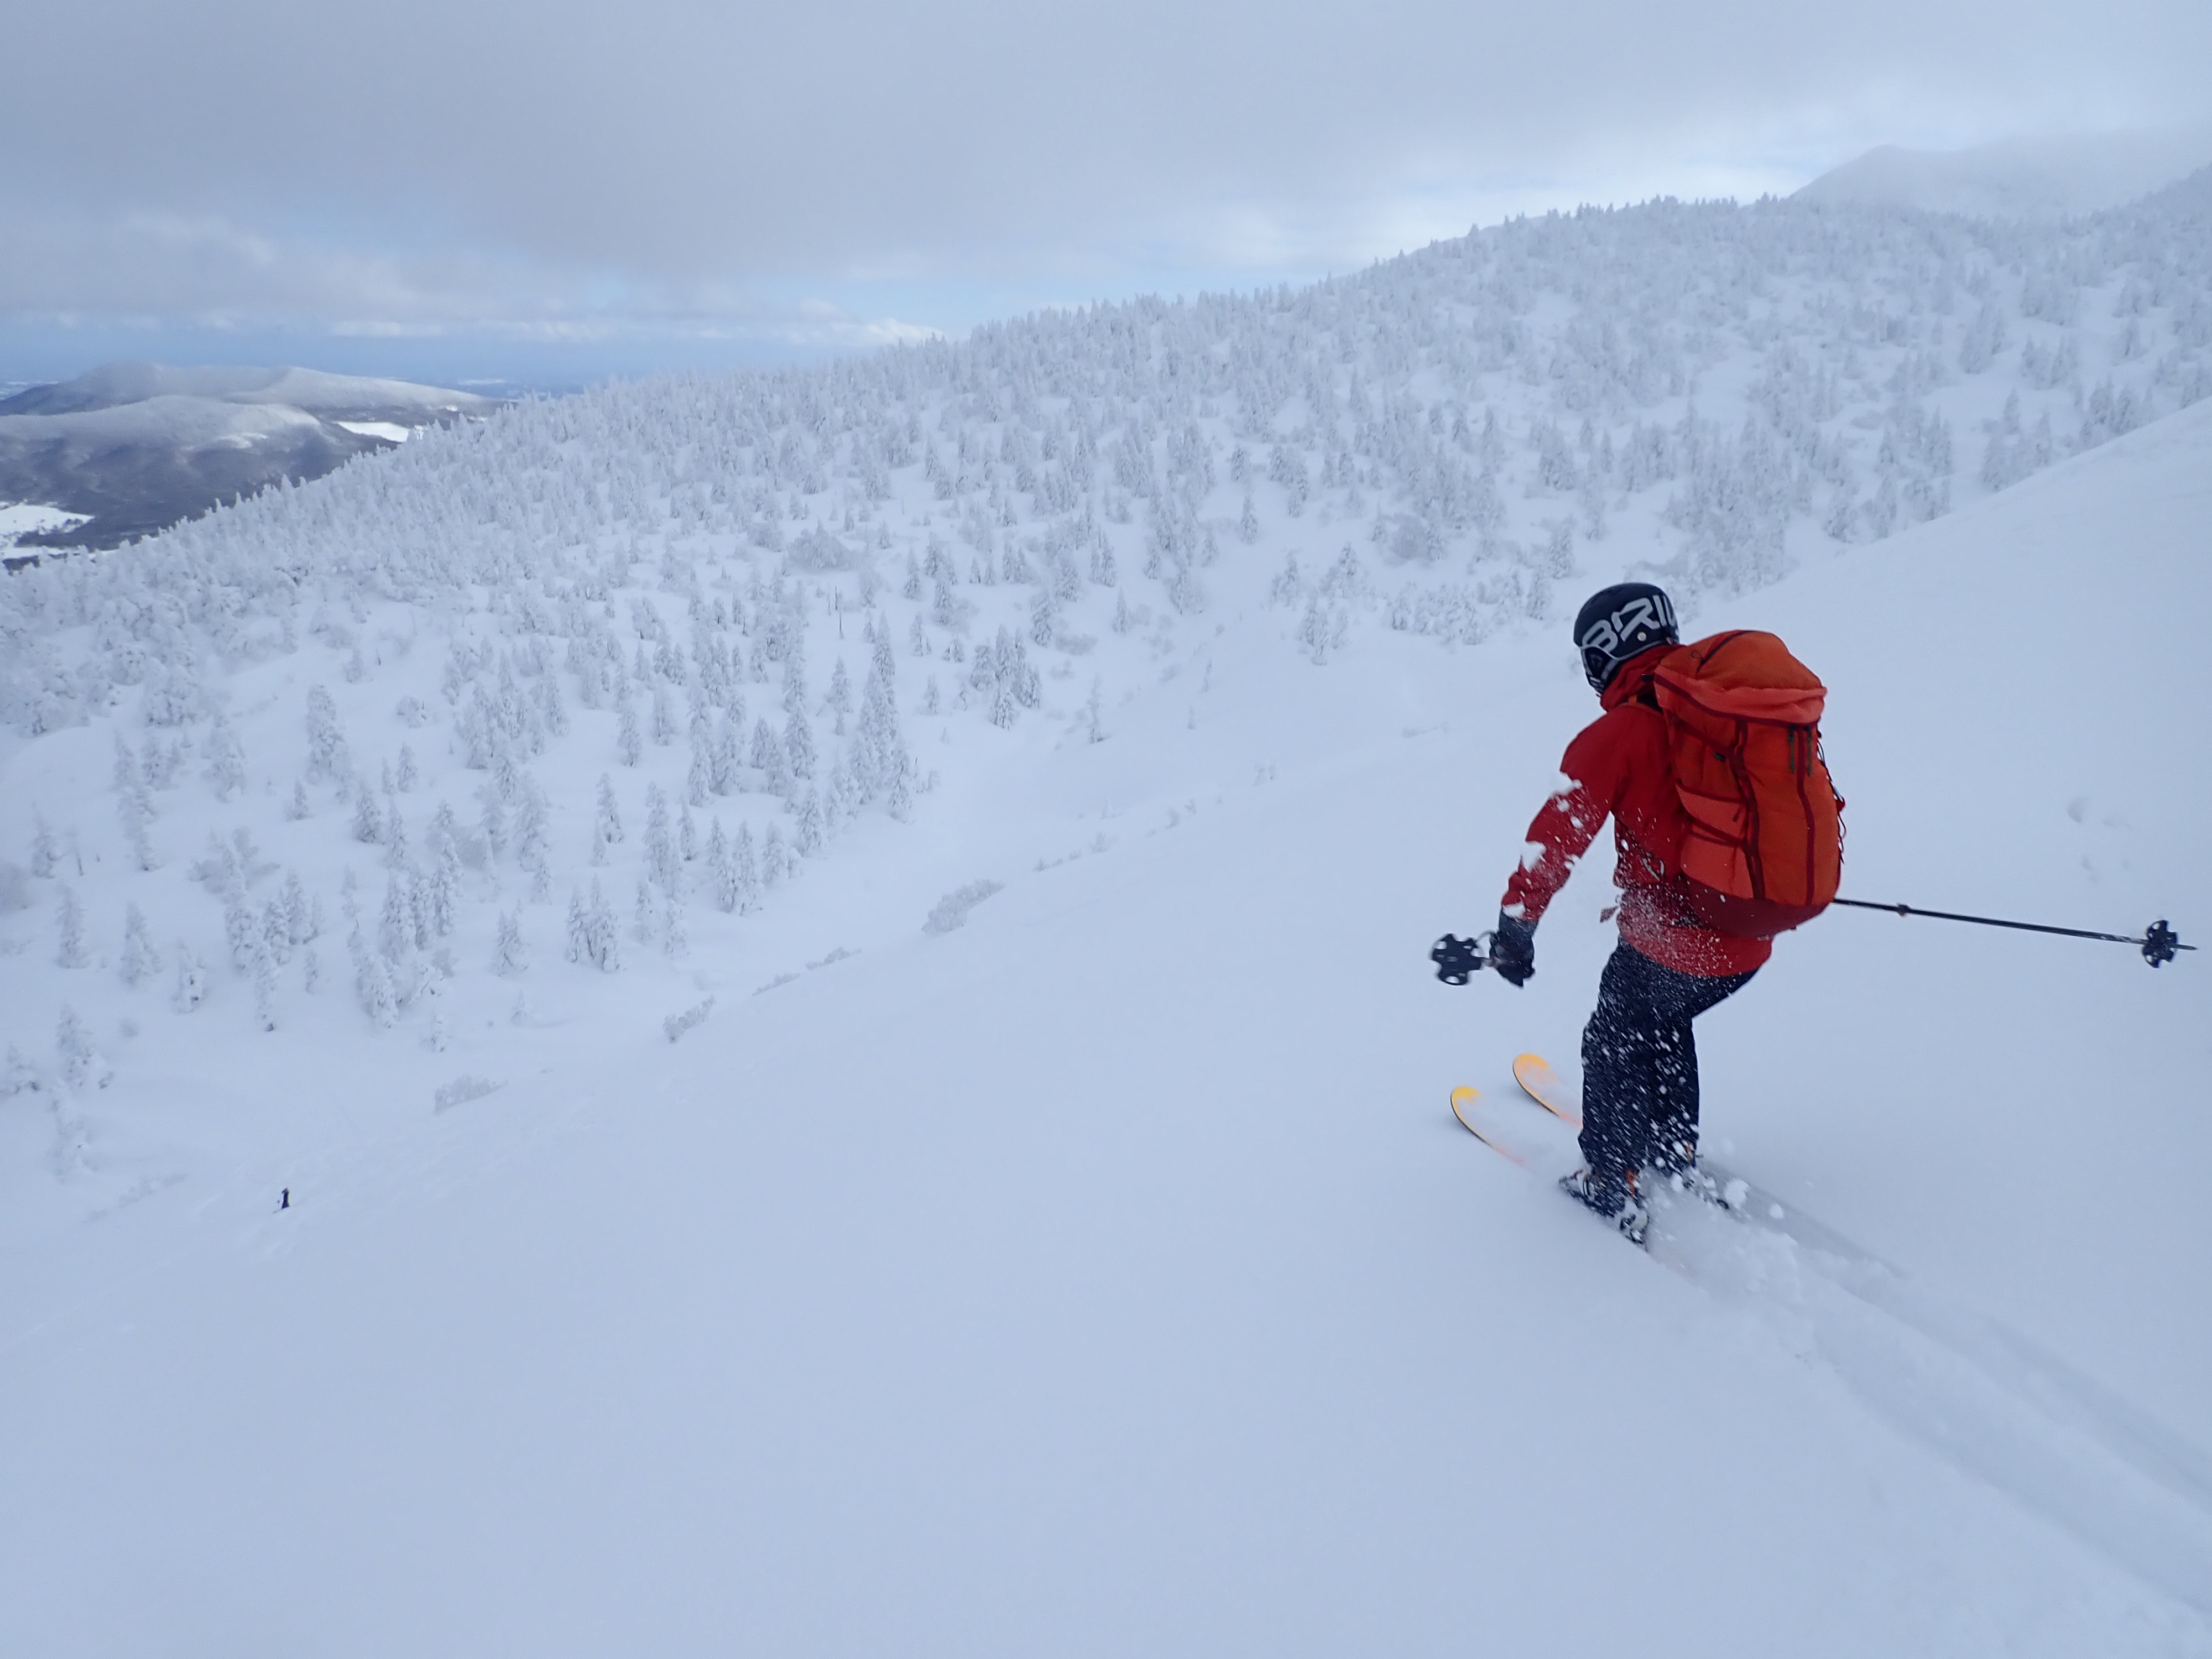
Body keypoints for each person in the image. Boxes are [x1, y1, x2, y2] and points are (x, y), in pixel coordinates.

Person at [1487, 582, 1771, 1235]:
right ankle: (1671, 1148)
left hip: (1675, 939)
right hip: (1751, 936)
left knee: (1614, 1035)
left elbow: (1553, 843)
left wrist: (1515, 928)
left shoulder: (1617, 733)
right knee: (1665, 1019)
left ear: (1601, 657)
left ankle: (1610, 1182)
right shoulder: (1729, 714)